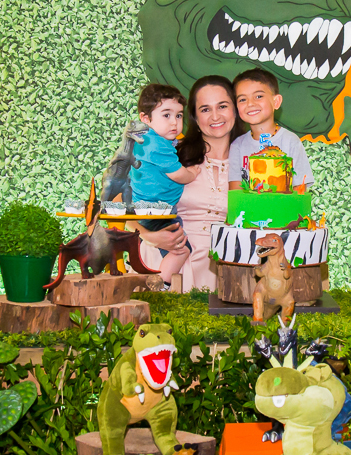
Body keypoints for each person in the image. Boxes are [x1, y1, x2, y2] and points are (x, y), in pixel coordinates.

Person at [137, 76, 237, 292]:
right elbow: (121, 201)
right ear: (194, 117)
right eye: (205, 109)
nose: (215, 116)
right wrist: (148, 235)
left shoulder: (253, 164)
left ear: (235, 110)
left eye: (222, 106)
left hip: (220, 270)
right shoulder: (170, 153)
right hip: (163, 261)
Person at [130, 84, 200, 287]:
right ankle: (159, 284)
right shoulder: (157, 145)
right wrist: (192, 173)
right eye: (166, 115)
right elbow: (178, 174)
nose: (174, 122)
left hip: (145, 208)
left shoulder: (147, 139)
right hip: (157, 211)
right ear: (145, 118)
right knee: (181, 249)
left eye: (179, 116)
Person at [228, 68, 313, 191]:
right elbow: (235, 191)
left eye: (258, 96)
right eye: (242, 99)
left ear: (276, 102)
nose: (250, 103)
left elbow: (300, 189)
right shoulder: (237, 146)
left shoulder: (291, 141)